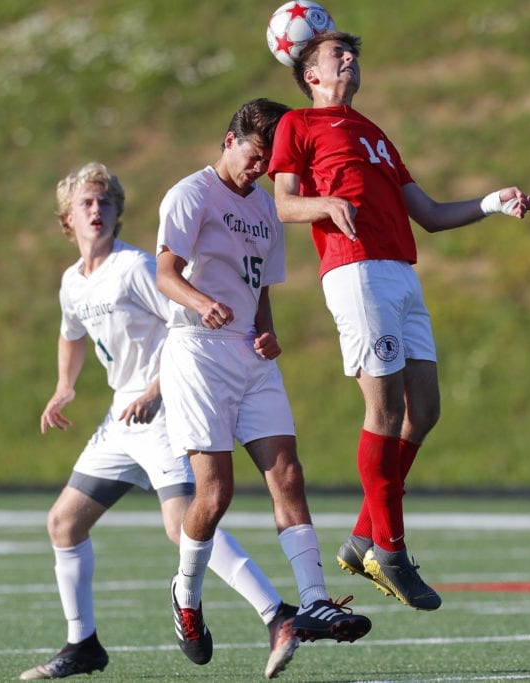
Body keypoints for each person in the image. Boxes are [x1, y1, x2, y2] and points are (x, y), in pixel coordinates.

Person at [268, 32, 530, 612]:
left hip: (401, 275)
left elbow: (433, 216)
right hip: (355, 271)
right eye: (335, 55)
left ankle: (363, 536)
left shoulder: (373, 132)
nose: (348, 59)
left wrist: (493, 202)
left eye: (352, 53)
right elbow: (283, 201)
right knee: (385, 409)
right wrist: (324, 205)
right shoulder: (297, 125)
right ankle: (389, 550)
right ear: (310, 75)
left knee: (426, 411)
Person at [21, 162, 300, 681]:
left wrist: (155, 391)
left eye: (105, 202)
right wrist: (64, 386)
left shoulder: (134, 268)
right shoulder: (72, 282)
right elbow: (71, 331)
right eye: (86, 203)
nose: (97, 210)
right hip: (120, 419)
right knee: (63, 522)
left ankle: (277, 614)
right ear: (67, 218)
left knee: (183, 524)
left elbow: (183, 324)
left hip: (163, 410)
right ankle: (82, 645)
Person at [155, 98, 372, 666]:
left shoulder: (266, 210)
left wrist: (268, 333)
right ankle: (186, 595)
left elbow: (263, 289)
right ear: (229, 140)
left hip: (251, 358)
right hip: (198, 354)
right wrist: (202, 303)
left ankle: (315, 602)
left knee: (288, 474)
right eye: (254, 155)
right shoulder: (191, 194)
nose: (260, 169)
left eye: (268, 161)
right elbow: (165, 273)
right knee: (216, 494)